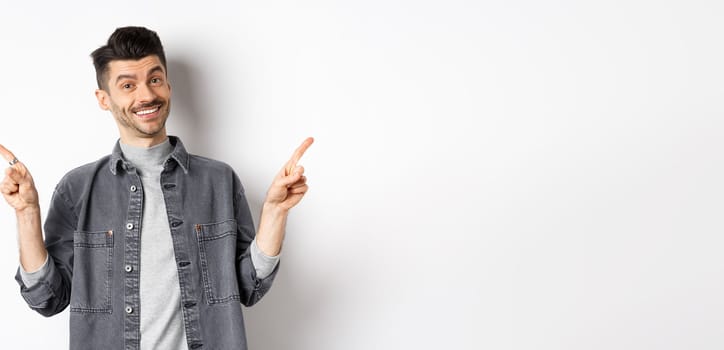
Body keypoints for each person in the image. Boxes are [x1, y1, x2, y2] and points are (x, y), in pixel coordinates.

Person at [0, 26, 312, 350]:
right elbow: (46, 299)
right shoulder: (77, 190)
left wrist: (275, 212)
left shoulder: (219, 182)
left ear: (168, 85)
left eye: (154, 79)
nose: (146, 95)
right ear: (103, 99)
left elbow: (249, 287)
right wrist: (27, 212)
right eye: (128, 85)